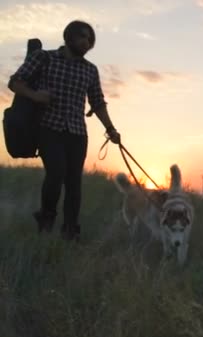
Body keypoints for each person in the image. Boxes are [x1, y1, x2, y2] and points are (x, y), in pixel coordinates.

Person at [8, 20, 121, 241]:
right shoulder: (44, 58)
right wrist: (35, 95)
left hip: (78, 133)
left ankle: (70, 230)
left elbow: (97, 103)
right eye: (83, 37)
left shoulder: (90, 70)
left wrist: (111, 129)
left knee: (74, 183)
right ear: (69, 36)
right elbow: (15, 82)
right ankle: (46, 220)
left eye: (90, 39)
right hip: (49, 128)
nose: (87, 42)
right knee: (56, 173)